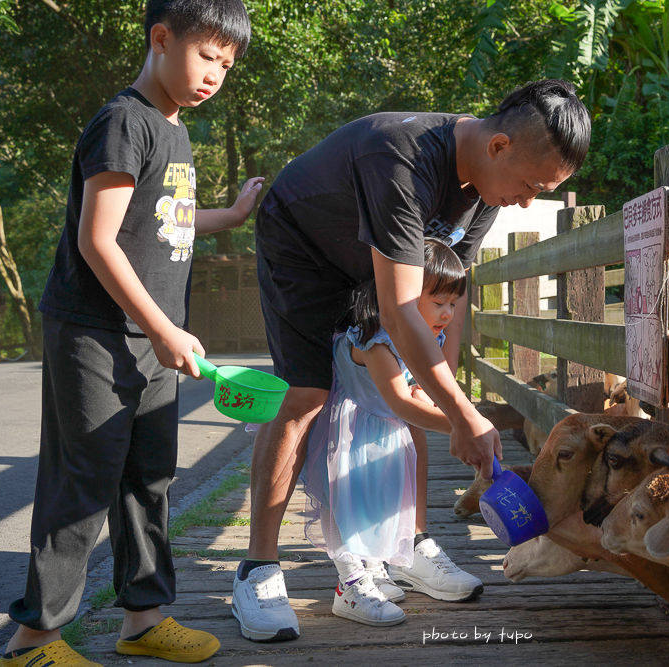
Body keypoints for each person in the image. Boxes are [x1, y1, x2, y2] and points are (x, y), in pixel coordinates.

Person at [233, 79, 591, 642]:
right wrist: (461, 414)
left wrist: (445, 393)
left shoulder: (485, 190)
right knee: (306, 395)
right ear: (499, 146)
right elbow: (401, 313)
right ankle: (258, 568)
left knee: (415, 401)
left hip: (380, 268)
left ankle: (410, 545)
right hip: (303, 248)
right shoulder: (399, 157)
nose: (526, 202)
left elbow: (448, 292)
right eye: (528, 186)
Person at [0, 2, 260, 666]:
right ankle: (34, 640)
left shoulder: (173, 129)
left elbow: (162, 216)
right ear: (161, 38)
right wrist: (165, 327)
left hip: (148, 337)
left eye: (226, 66)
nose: (214, 76)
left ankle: (143, 619)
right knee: (83, 478)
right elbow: (98, 238)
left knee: (149, 476)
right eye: (207, 56)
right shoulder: (123, 122)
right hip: (94, 331)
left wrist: (226, 215)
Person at [294, 238, 467, 629]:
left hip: (384, 430)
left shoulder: (428, 338)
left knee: (379, 498)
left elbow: (421, 388)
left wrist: (436, 396)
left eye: (453, 305)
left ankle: (374, 568)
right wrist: (462, 426)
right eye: (438, 302)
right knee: (342, 501)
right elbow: (403, 402)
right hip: (349, 431)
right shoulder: (373, 340)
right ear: (403, 294)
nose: (447, 313)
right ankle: (350, 580)